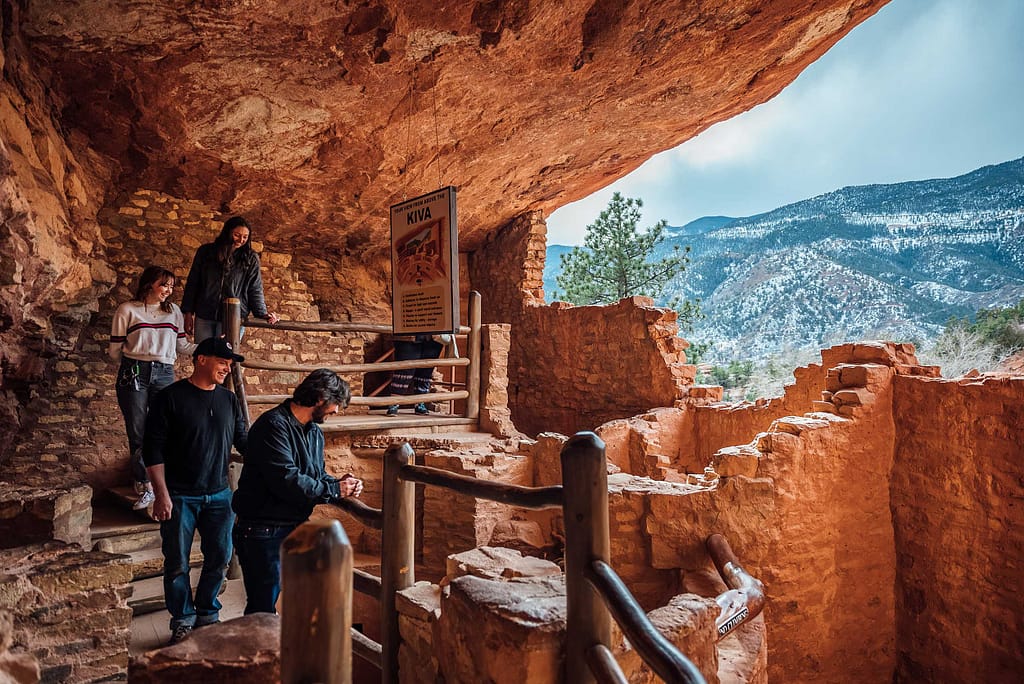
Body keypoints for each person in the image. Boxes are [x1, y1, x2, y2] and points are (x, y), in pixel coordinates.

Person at [232, 369, 364, 615]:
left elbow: (315, 475)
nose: (336, 411)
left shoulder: (313, 431)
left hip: (295, 527)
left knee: (299, 601)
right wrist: (334, 489)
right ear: (321, 398)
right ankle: (261, 652)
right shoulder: (272, 426)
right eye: (336, 404)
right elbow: (287, 480)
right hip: (263, 530)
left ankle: (286, 651)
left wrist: (341, 483)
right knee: (263, 608)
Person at [143, 337, 249, 645]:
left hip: (219, 494)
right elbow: (153, 450)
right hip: (179, 495)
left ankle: (207, 613)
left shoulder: (229, 400)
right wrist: (160, 494)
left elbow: (243, 440)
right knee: (177, 562)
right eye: (222, 362)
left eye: (229, 365)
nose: (226, 369)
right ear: (201, 359)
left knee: (220, 557)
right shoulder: (170, 398)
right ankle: (183, 619)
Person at [109, 266, 195, 510]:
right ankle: (145, 485)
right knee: (137, 430)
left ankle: (164, 486)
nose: (168, 290)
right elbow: (115, 350)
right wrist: (135, 360)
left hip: (165, 371)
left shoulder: (174, 312)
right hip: (134, 370)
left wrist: (209, 347)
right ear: (149, 285)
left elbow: (182, 347)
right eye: (164, 285)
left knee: (164, 428)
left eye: (171, 286)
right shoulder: (127, 310)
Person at [180, 215, 280, 342]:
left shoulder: (250, 258)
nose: (240, 240)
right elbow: (193, 283)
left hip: (233, 317)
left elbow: (254, 288)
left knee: (225, 357)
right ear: (227, 232)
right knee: (203, 355)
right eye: (237, 235)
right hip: (204, 313)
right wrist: (188, 312)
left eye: (245, 237)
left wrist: (262, 313)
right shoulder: (206, 252)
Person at [384, 334, 446, 416]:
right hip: (409, 333)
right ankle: (394, 403)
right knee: (404, 370)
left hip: (433, 338)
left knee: (426, 372)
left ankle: (420, 403)